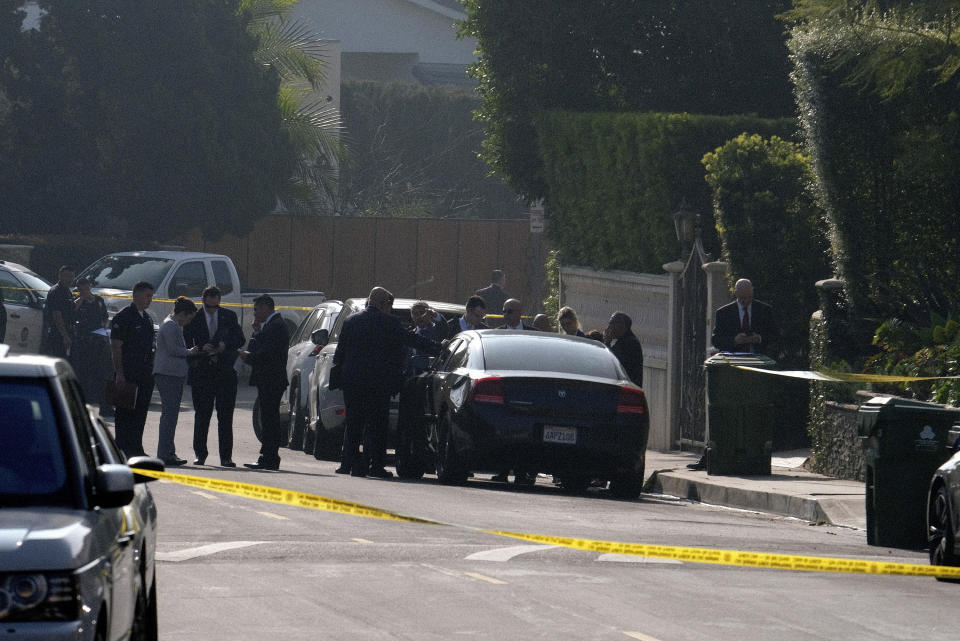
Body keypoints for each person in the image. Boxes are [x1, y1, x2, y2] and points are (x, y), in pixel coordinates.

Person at [333, 287, 442, 478]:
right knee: (376, 425)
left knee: (354, 423)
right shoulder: (389, 322)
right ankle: (374, 466)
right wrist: (437, 348)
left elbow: (340, 352)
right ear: (384, 304)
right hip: (378, 382)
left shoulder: (351, 320)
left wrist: (342, 374)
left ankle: (349, 463)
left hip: (353, 381)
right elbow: (411, 339)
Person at [183, 286, 246, 467]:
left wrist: (225, 344)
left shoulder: (229, 316)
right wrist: (202, 348)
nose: (213, 310)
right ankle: (200, 454)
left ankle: (226, 456)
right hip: (202, 371)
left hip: (225, 371)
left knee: (225, 416)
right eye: (210, 306)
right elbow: (186, 341)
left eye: (216, 306)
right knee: (202, 416)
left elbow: (240, 339)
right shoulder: (195, 318)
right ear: (203, 301)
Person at [240, 295, 289, 471]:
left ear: (266, 308)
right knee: (268, 417)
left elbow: (266, 354)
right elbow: (258, 346)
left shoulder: (276, 326)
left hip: (272, 378)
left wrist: (248, 357)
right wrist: (256, 332)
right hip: (268, 378)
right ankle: (267, 455)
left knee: (270, 419)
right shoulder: (269, 326)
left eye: (256, 309)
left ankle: (269, 456)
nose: (255, 312)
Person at [110, 281, 156, 458]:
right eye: (147, 296)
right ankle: (122, 450)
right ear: (135, 295)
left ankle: (136, 448)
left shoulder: (147, 318)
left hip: (144, 372)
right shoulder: (124, 317)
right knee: (124, 413)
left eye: (151, 296)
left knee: (140, 413)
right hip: (128, 372)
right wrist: (119, 374)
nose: (149, 300)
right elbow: (116, 347)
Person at [153, 297, 199, 466]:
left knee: (170, 415)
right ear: (182, 313)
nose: (188, 322)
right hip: (169, 373)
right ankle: (165, 453)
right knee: (169, 416)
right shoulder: (171, 325)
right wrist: (190, 352)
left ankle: (168, 451)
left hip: (171, 373)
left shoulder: (172, 324)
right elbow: (173, 349)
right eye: (189, 318)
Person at [71, 277, 111, 411]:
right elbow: (72, 314)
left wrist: (104, 328)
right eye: (82, 290)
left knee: (99, 371)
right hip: (83, 340)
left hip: (99, 339)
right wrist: (81, 299)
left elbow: (105, 318)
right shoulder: (78, 302)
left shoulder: (99, 300)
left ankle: (99, 400)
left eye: (86, 289)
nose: (85, 292)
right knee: (84, 371)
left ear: (90, 287)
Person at [711, 278, 778, 355]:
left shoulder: (764, 310)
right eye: (743, 298)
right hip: (733, 358)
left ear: (752, 292)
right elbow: (716, 340)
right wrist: (735, 340)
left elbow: (775, 336)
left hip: (759, 358)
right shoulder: (724, 312)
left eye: (749, 297)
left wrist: (759, 338)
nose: (746, 300)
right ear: (736, 293)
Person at [41, 265, 76, 357]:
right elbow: (57, 316)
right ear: (60, 276)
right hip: (57, 333)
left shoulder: (67, 291)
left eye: (72, 276)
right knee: (58, 360)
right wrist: (65, 336)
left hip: (66, 331)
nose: (69, 279)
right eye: (67, 276)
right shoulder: (56, 291)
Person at [605, 311, 644, 387]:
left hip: (628, 388)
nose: (608, 328)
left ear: (622, 326)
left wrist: (607, 342)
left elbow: (612, 361)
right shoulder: (623, 341)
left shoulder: (630, 343)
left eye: (611, 324)